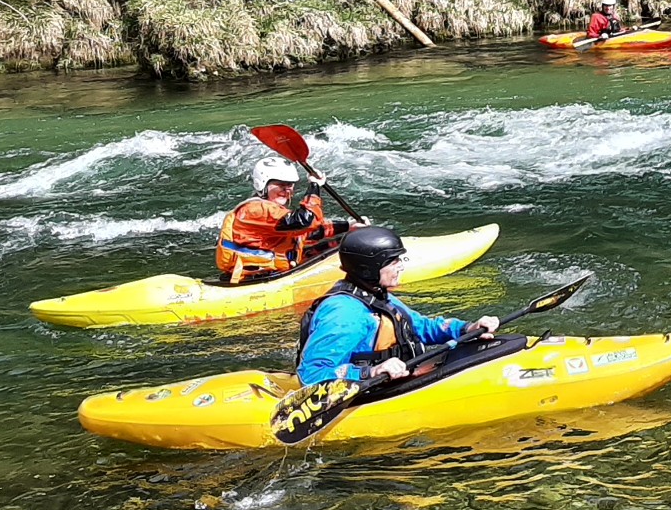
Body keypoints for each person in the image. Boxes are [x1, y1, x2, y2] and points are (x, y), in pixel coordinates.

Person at [297, 226, 503, 386]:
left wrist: (467, 328)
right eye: (393, 261)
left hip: (396, 380)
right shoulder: (344, 314)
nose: (401, 267)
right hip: (367, 392)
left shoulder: (376, 296)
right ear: (369, 268)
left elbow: (420, 327)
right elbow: (312, 373)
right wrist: (370, 372)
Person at [216, 157, 352, 284]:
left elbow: (307, 233)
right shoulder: (256, 210)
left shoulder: (273, 211)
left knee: (342, 245)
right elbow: (306, 221)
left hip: (275, 274)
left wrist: (349, 227)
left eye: (290, 185)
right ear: (263, 184)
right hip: (253, 279)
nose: (286, 190)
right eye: (280, 184)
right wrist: (314, 186)